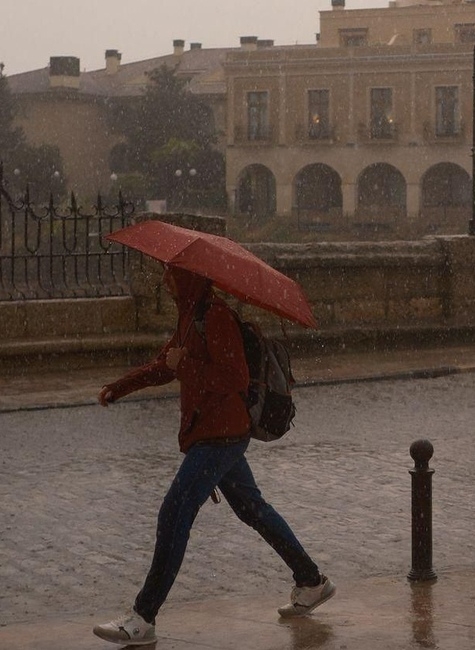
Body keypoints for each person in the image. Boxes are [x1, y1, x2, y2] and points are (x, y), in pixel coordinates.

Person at [92, 267, 334, 646]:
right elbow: (164, 366)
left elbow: (234, 378)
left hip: (221, 436)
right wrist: (120, 387)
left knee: (174, 512)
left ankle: (143, 617)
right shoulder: (190, 316)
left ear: (190, 278)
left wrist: (183, 365)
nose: (165, 280)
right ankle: (311, 581)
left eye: (172, 274)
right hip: (213, 433)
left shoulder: (216, 317)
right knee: (252, 509)